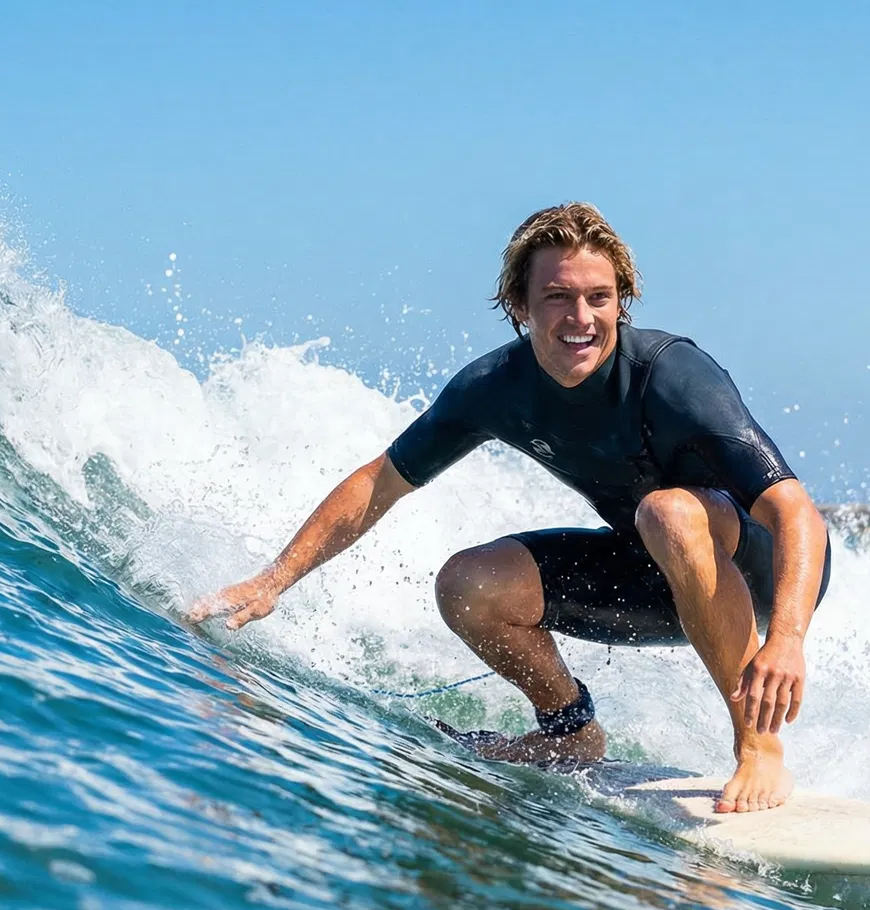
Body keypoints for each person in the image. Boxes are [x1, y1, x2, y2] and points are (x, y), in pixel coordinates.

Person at [186, 203, 831, 814]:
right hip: (654, 576)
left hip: (761, 573)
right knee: (469, 585)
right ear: (519, 306)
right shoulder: (496, 388)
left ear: (622, 303)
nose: (580, 316)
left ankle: (759, 748)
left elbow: (794, 509)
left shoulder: (673, 374)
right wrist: (274, 580)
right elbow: (379, 482)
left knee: (667, 511)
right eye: (557, 297)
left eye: (598, 298)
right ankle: (569, 732)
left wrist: (788, 640)